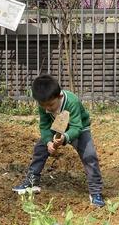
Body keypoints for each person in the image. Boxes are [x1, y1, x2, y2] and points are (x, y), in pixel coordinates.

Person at [12, 74, 105, 208]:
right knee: (40, 149)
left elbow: (76, 127)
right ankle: (32, 182)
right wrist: (48, 141)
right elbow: (44, 126)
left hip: (78, 127)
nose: (48, 108)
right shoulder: (44, 104)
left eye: (51, 104)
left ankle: (96, 192)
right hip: (57, 125)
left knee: (89, 155)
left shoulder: (71, 101)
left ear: (59, 96)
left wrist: (65, 138)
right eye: (44, 105)